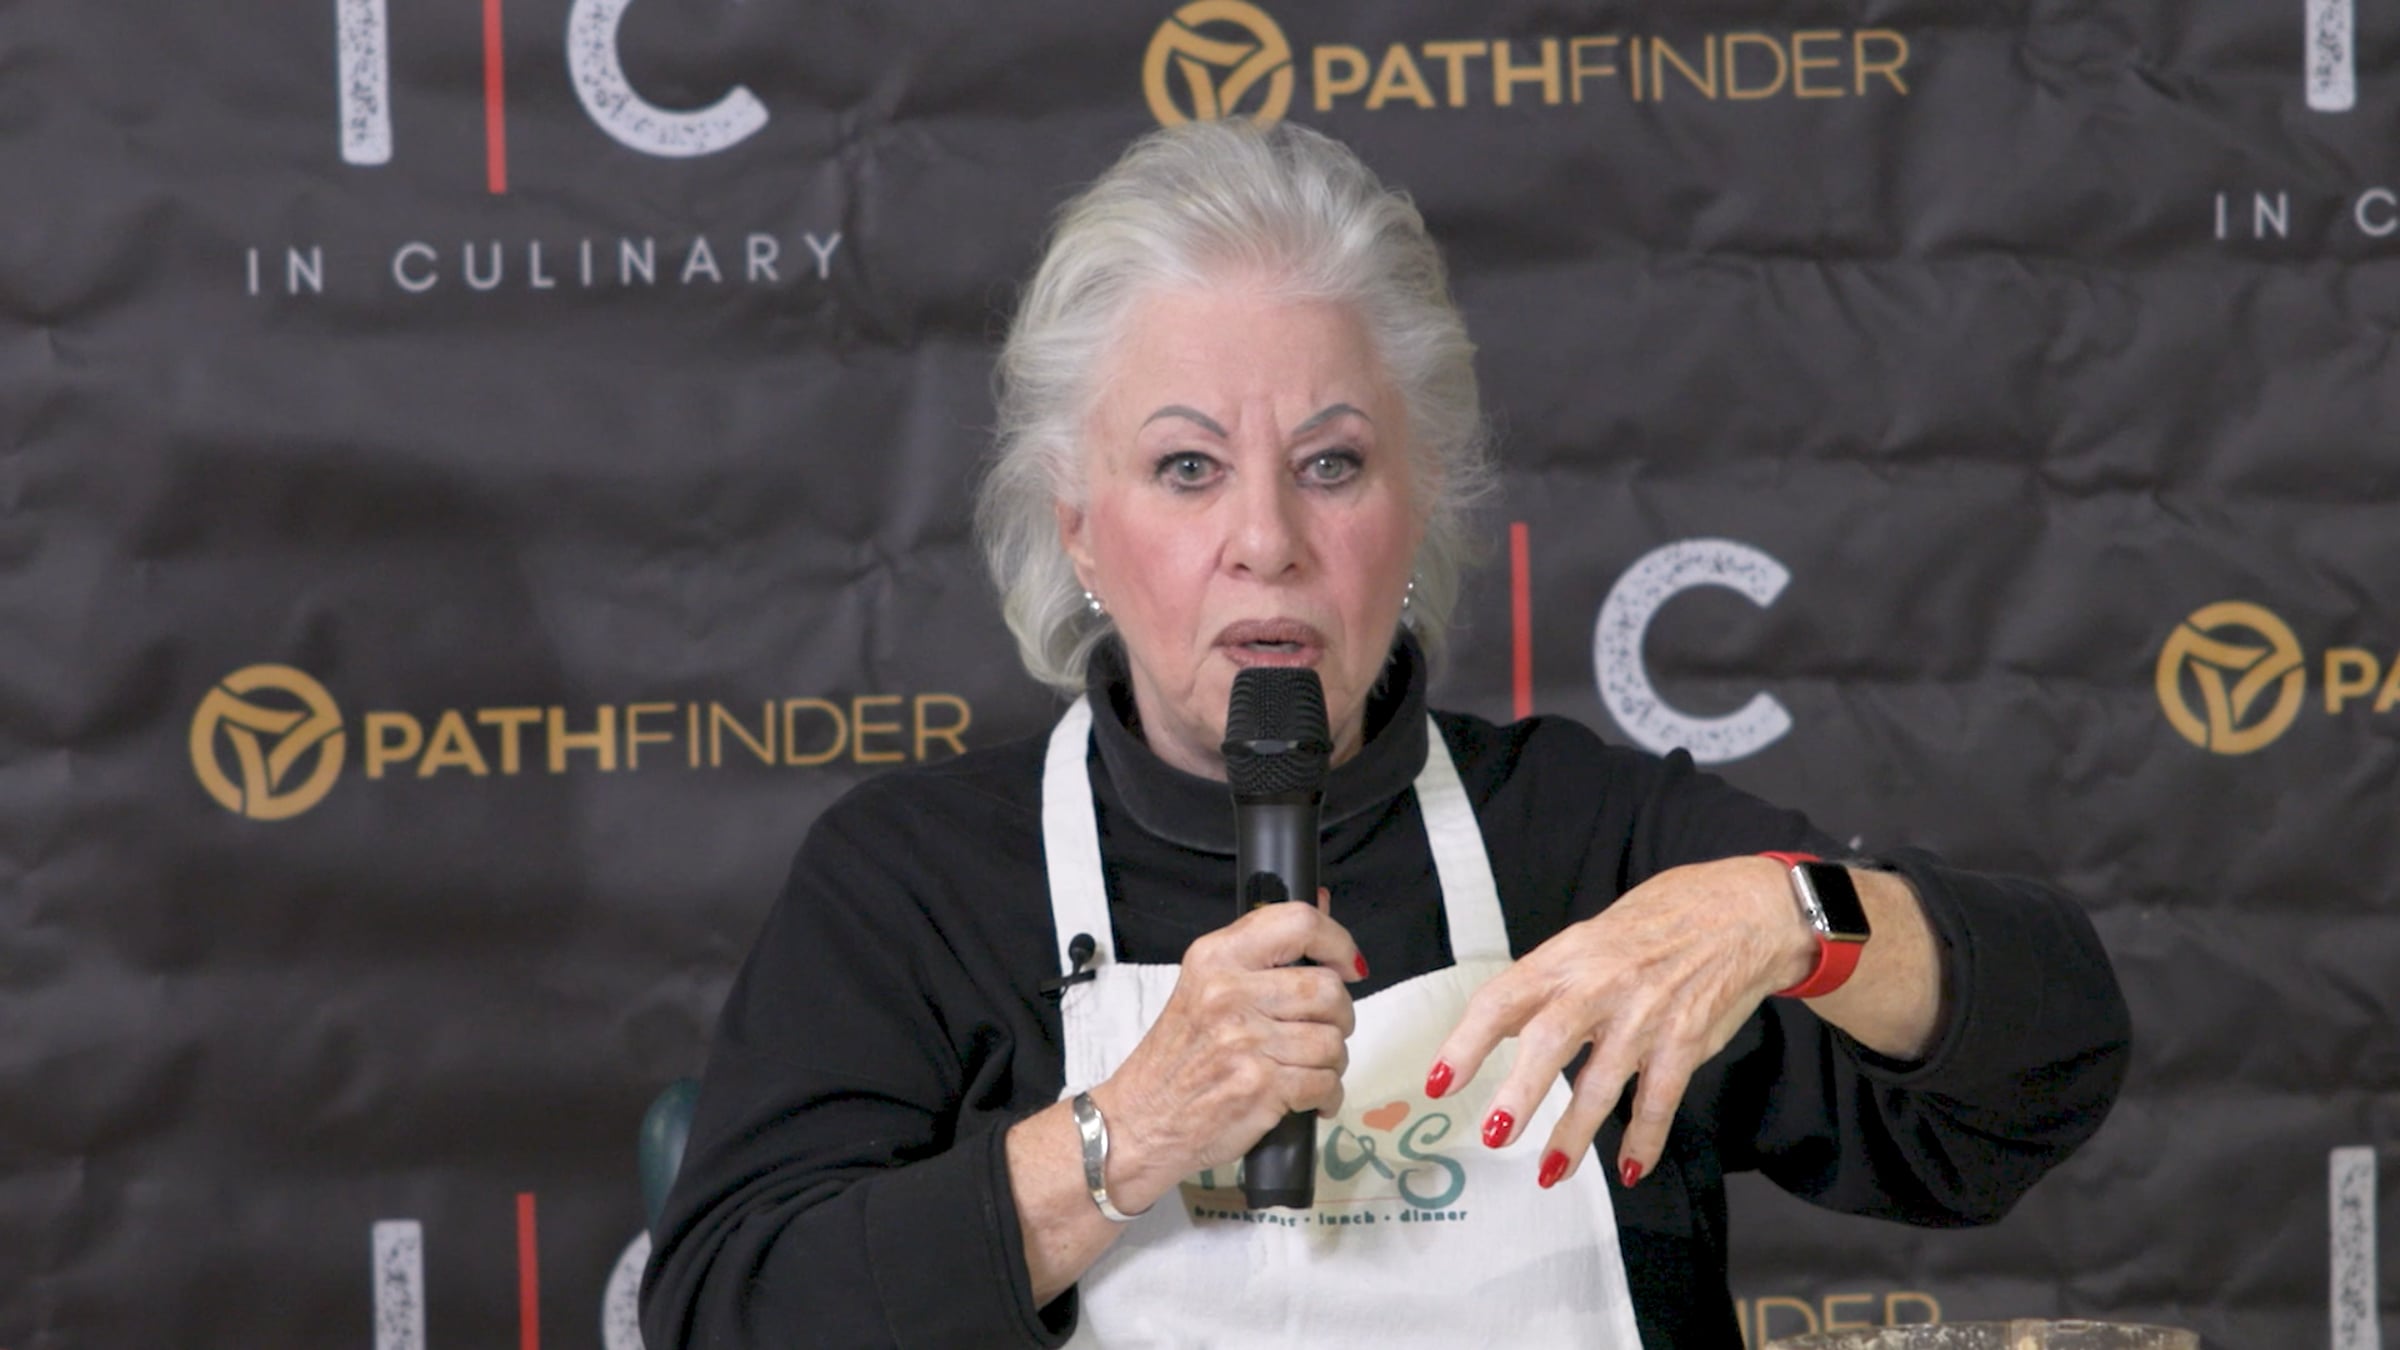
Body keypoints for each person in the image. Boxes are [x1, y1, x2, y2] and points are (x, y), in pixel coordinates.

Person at [641, 121, 2130, 1348]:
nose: (1267, 539)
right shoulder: (918, 885)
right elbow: (725, 1313)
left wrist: (1798, 917)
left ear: (1418, 509)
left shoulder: (1583, 844)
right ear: (1078, 528)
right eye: (1187, 467)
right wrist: (1124, 1135)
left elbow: (2039, 1079)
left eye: (1332, 463)